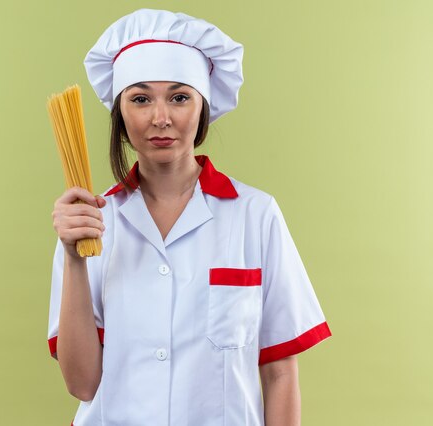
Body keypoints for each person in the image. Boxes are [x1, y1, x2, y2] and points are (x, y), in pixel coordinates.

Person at [48, 9, 331, 426]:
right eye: (140, 98)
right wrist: (74, 256)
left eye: (179, 97)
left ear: (202, 108)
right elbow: (83, 385)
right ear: (120, 115)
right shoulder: (87, 223)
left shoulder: (255, 215)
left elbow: (280, 372)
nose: (160, 117)